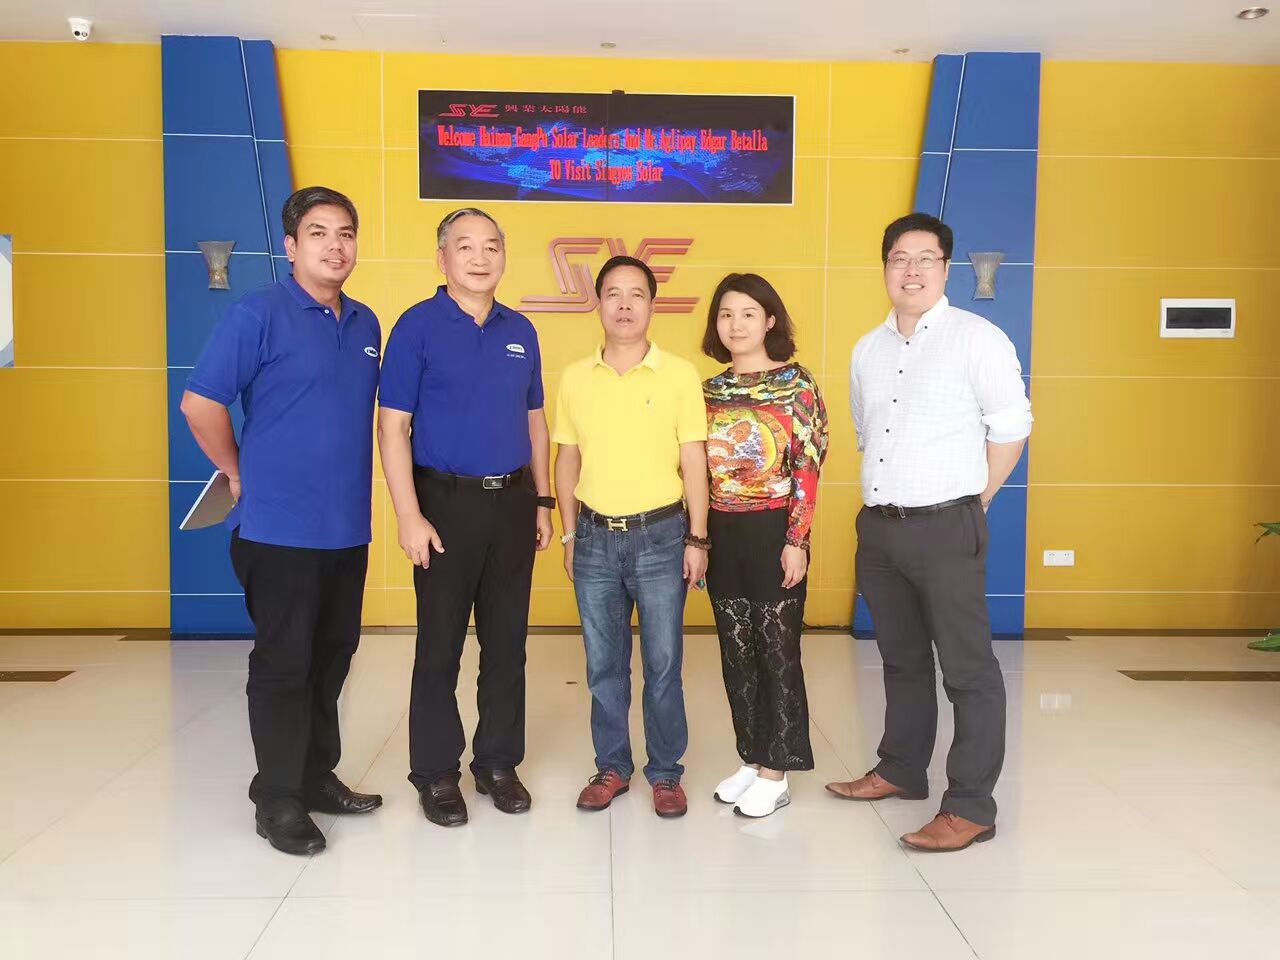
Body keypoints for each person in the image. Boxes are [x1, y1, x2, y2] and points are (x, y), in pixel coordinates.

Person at [180, 186, 383, 856]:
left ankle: (315, 776)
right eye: (319, 233)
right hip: (277, 530)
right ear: (291, 246)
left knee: (332, 658)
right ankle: (277, 799)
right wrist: (235, 469)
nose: (335, 245)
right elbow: (200, 403)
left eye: (346, 233)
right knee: (284, 665)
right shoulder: (257, 313)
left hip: (346, 528)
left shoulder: (365, 324)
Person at [827, 212, 1033, 852]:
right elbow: (867, 432)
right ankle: (900, 769)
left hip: (947, 525)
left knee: (968, 670)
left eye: (925, 258)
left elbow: (1012, 427)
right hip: (881, 529)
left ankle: (970, 806)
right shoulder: (868, 348)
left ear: (946, 268)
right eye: (899, 258)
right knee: (901, 659)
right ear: (885, 267)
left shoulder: (978, 338)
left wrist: (976, 499)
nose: (910, 270)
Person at [377, 208, 554, 828]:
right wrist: (409, 515)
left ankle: (498, 763)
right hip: (443, 504)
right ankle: (435, 773)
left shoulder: (521, 330)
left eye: (492, 247)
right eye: (466, 246)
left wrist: (543, 499)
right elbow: (392, 427)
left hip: (513, 503)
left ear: (504, 256)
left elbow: (535, 420)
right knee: (440, 645)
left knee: (507, 644)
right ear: (442, 258)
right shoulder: (416, 327)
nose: (480, 258)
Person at [553, 255, 709, 819]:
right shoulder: (575, 377)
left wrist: (698, 539)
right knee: (604, 666)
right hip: (594, 539)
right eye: (613, 294)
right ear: (597, 303)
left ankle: (665, 773)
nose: (624, 305)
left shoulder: (679, 375)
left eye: (636, 294)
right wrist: (569, 535)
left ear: (651, 305)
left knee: (664, 664)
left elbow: (694, 460)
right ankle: (612, 767)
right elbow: (566, 460)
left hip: (662, 537)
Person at [700, 273, 828, 819]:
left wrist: (797, 539)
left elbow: (808, 465)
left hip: (775, 528)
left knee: (777, 650)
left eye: (748, 313)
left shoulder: (797, 384)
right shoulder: (709, 391)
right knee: (737, 652)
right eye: (726, 314)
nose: (737, 324)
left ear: (769, 321)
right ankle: (752, 758)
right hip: (721, 530)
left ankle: (778, 771)